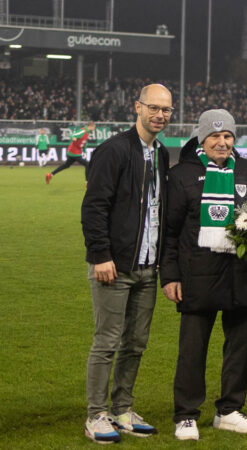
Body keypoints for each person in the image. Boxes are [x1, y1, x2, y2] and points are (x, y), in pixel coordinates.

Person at [160, 109, 247, 441]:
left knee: (239, 345)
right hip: (197, 273)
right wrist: (170, 275)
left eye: (227, 136)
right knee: (193, 348)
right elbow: (170, 230)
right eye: (214, 137)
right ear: (201, 140)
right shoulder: (181, 175)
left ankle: (229, 410)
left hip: (241, 272)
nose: (222, 142)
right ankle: (186, 415)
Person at [80, 84, 172, 444]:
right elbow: (94, 207)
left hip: (147, 266)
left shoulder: (162, 154)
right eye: (154, 108)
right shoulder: (113, 150)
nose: (160, 115)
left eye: (166, 109)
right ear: (137, 107)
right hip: (114, 265)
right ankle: (95, 414)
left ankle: (122, 409)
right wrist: (100, 255)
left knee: (136, 343)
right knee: (107, 341)